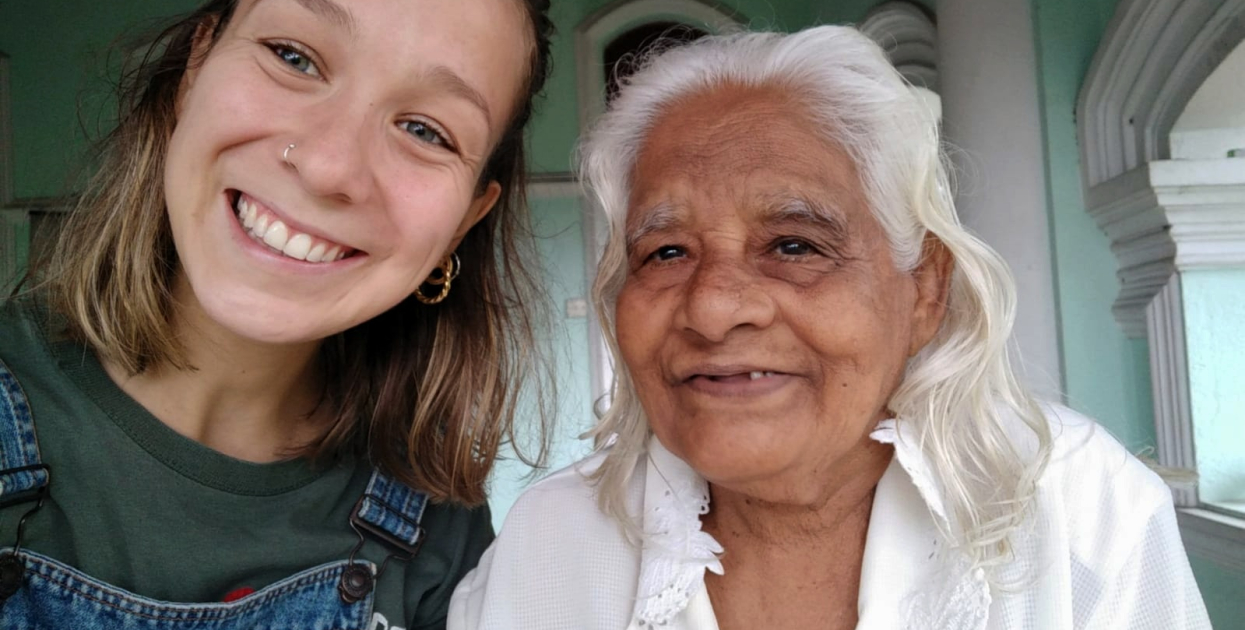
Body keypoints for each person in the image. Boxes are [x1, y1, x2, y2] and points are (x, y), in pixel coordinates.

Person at [448, 25, 1212, 630]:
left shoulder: (1077, 509)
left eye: (793, 246)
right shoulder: (551, 546)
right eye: (666, 252)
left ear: (923, 288)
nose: (712, 308)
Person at [0, 0, 552, 627]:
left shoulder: (440, 530)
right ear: (196, 65)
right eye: (294, 58)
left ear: (463, 222)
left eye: (426, 131)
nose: (327, 167)